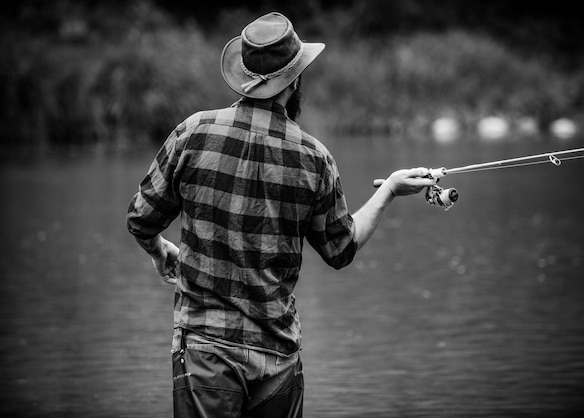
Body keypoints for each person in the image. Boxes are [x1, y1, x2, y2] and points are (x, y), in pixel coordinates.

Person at [126, 12, 436, 418]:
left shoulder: (192, 133)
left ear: (246, 74)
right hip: (277, 357)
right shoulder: (314, 158)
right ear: (293, 81)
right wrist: (391, 190)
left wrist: (156, 248)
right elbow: (341, 249)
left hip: (204, 351)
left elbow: (141, 218)